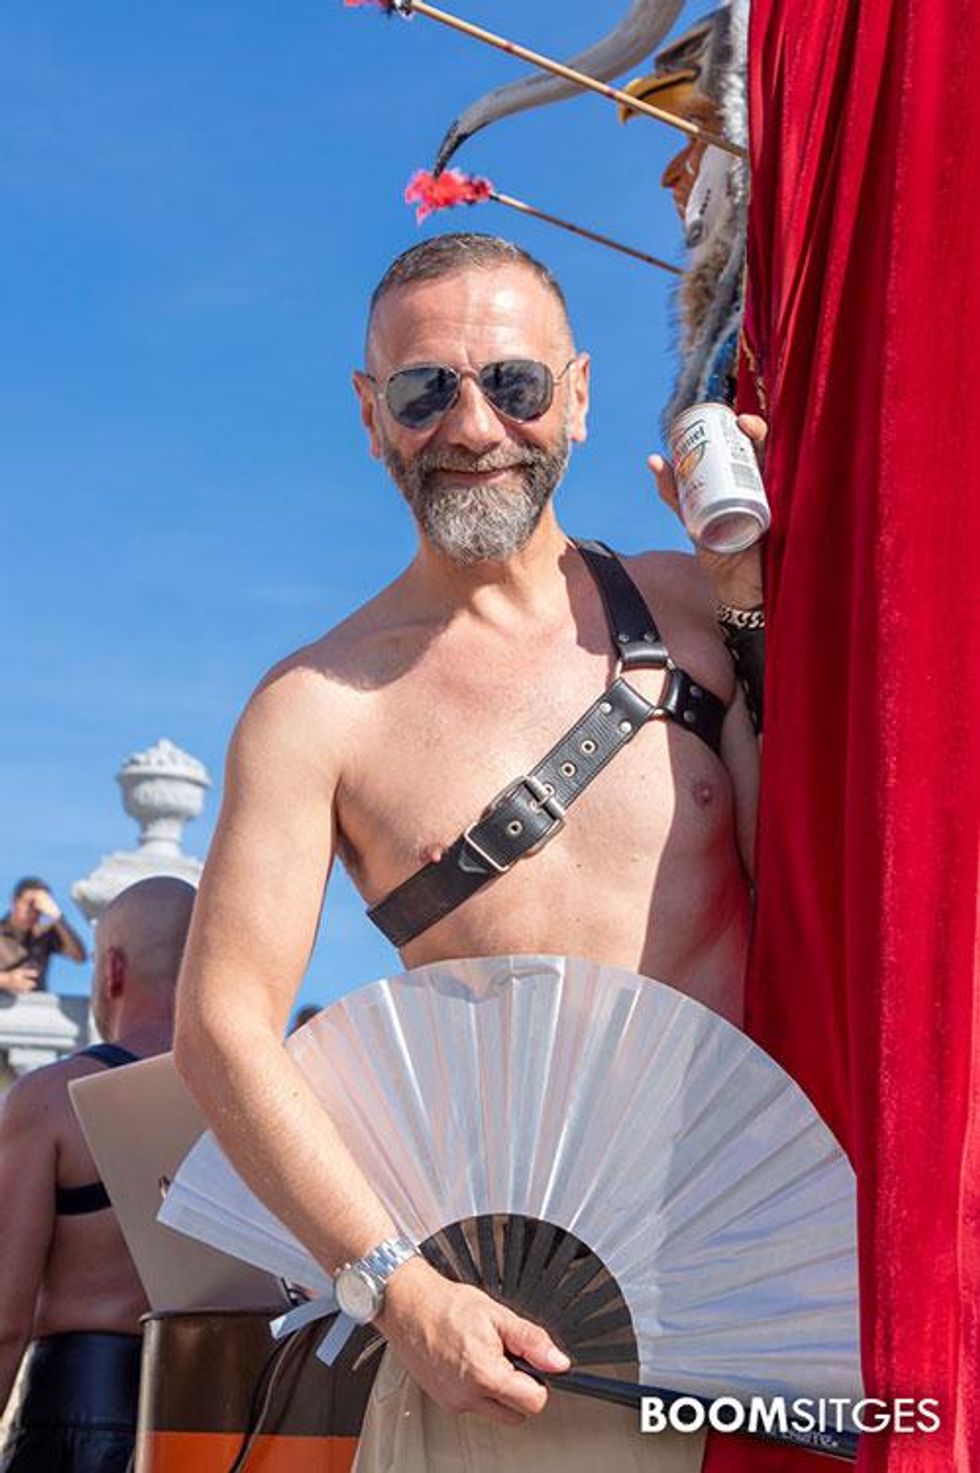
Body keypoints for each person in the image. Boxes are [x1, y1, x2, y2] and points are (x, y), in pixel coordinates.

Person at [173, 233, 765, 1445]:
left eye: (514, 383)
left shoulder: (701, 608)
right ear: (370, 415)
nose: (474, 426)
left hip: (765, 1268)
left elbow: (842, 876)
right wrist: (396, 1290)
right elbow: (222, 1029)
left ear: (579, 398)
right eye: (423, 391)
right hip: (524, 1334)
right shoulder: (313, 709)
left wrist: (757, 597)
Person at [0, 876, 196, 1473]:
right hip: (218, 1421)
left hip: (77, 1421)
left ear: (111, 970)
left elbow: (4, 1320)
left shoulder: (52, 1099)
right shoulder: (263, 1104)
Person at [0, 879, 87, 995]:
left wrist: (58, 918)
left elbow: (79, 956)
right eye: (30, 904)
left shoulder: (44, 934)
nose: (34, 912)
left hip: (34, 1003)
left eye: (39, 907)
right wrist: (6, 980)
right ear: (14, 902)